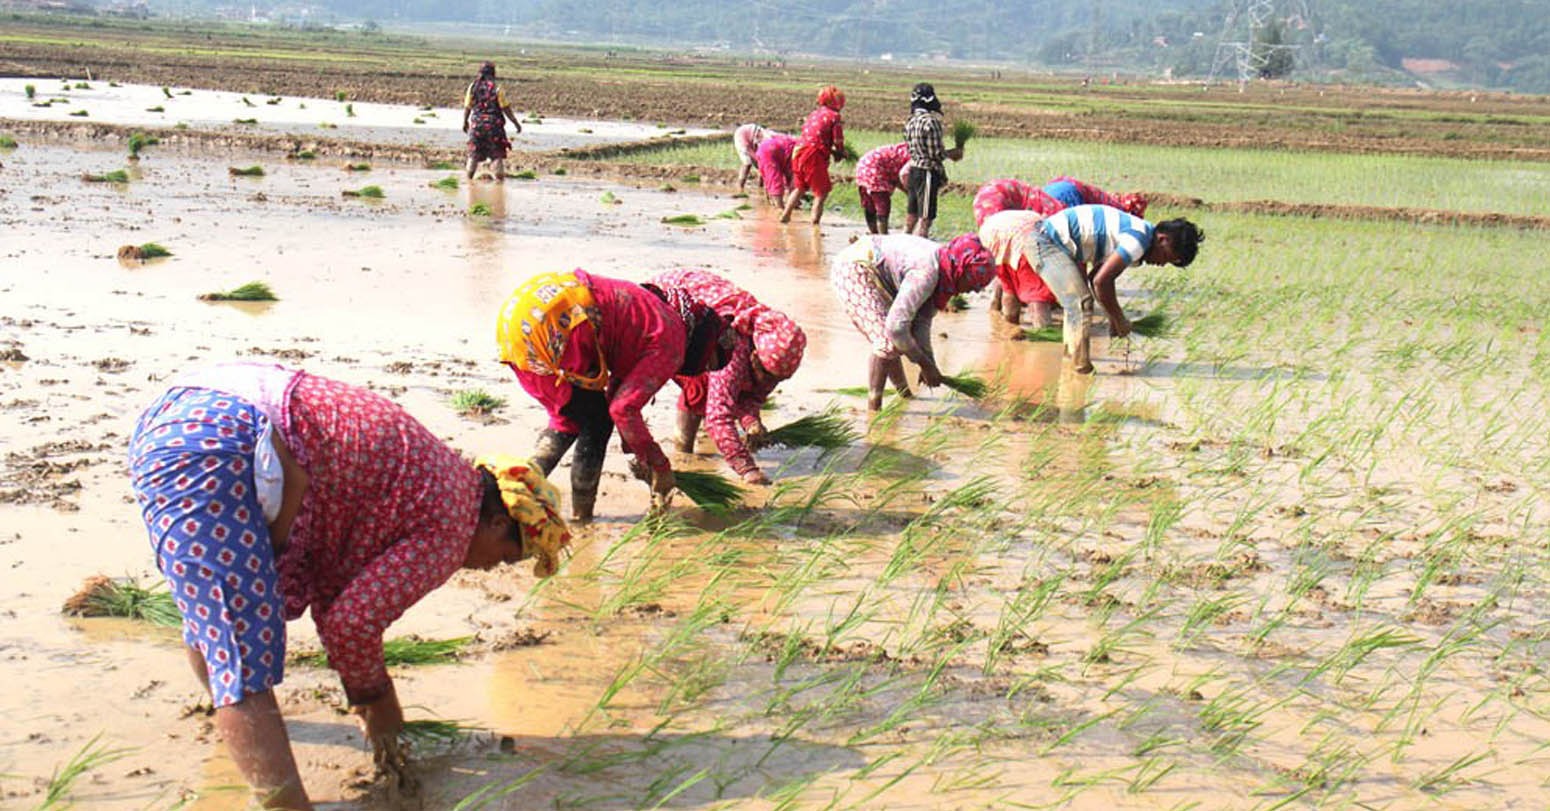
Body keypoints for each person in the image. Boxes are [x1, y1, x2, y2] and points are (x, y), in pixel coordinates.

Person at [127, 363, 570, 810]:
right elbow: (351, 625)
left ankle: (234, 720)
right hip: (220, 447)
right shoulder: (453, 529)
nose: (493, 569)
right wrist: (376, 704)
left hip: (181, 413)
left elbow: (340, 596)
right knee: (241, 662)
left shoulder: (444, 476)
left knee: (215, 618)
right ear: (498, 522)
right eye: (506, 556)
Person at [498, 270, 728, 521]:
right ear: (704, 344)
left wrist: (637, 450)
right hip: (560, 323)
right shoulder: (672, 340)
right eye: (708, 363)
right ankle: (581, 516)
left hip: (520, 319)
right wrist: (659, 465)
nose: (703, 371)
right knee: (597, 423)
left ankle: (513, 495)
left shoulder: (655, 316)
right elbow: (622, 409)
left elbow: (618, 391)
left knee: (569, 420)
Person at [979, 205, 1204, 374]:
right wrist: (1120, 319)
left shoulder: (1138, 237)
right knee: (1080, 303)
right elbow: (1101, 283)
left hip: (1045, 242)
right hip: (1044, 242)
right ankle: (1081, 369)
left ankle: (1072, 359)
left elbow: (1096, 275)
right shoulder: (1139, 240)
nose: (1162, 264)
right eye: (1167, 257)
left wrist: (1113, 318)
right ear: (1162, 239)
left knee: (1079, 303)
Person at [649, 269, 807, 485]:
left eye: (778, 380)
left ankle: (684, 450)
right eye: (767, 376)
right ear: (754, 355)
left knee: (710, 387)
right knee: (700, 387)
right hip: (670, 308)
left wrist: (751, 422)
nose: (769, 384)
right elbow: (718, 417)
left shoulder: (768, 350)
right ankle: (683, 453)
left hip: (703, 317)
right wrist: (747, 469)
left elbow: (751, 394)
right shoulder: (733, 348)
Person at [830, 233, 995, 411]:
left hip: (877, 273)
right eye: (973, 284)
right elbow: (896, 329)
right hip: (854, 269)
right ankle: (874, 411)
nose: (973, 291)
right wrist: (924, 364)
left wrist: (930, 365)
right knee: (886, 341)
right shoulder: (926, 273)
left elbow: (921, 323)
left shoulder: (943, 275)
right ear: (961, 272)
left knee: (894, 342)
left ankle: (905, 396)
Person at [974, 177, 1149, 324]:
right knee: (1037, 288)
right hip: (1038, 208)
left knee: (1007, 268)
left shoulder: (1113, 215)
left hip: (993, 209)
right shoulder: (1127, 228)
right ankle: (1042, 334)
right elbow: (1089, 267)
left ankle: (1001, 319)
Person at [779, 85, 846, 225]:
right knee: (822, 192)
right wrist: (840, 153)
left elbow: (816, 137)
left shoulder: (814, 114)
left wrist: (831, 151)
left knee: (800, 187)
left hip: (798, 151)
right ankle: (815, 224)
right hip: (813, 154)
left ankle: (785, 215)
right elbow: (838, 140)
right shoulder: (834, 117)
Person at [902, 83, 962, 238]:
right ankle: (921, 245)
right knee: (925, 216)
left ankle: (904, 241)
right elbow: (935, 153)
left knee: (912, 213)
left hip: (914, 170)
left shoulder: (910, 121)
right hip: (927, 172)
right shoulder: (930, 122)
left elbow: (910, 147)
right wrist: (952, 153)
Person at [461, 62, 523, 181]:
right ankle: (499, 183)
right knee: (497, 155)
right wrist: (515, 123)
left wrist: (465, 122)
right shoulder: (496, 88)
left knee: (473, 155)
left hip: (476, 125)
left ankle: (469, 181)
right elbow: (506, 108)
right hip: (494, 126)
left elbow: (467, 107)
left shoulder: (472, 87)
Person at [854, 142, 911, 234]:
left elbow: (897, 178)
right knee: (882, 205)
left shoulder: (902, 150)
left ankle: (874, 233)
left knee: (870, 205)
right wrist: (910, 194)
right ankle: (883, 236)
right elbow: (902, 178)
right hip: (875, 169)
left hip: (863, 165)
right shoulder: (912, 158)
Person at [733, 123, 782, 192]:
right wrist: (758, 159)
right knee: (747, 163)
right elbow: (748, 149)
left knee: (762, 165)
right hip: (743, 137)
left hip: (755, 137)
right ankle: (740, 187)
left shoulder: (772, 137)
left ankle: (760, 186)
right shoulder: (742, 137)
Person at [754, 132, 797, 206]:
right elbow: (794, 181)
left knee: (769, 178)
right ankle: (779, 208)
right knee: (775, 180)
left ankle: (770, 203)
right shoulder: (806, 156)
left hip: (764, 148)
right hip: (773, 150)